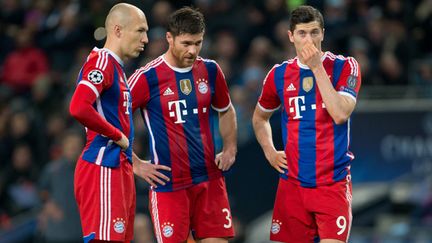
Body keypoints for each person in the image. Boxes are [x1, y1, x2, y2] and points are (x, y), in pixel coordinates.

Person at [127, 7, 237, 243]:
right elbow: (111, 118)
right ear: (169, 37)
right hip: (169, 185)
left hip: (209, 178)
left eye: (198, 43)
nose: (192, 50)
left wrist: (229, 148)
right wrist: (135, 163)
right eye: (186, 43)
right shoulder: (147, 77)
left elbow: (226, 110)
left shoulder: (210, 70)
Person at [252, 5, 361, 243]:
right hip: (293, 184)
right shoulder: (278, 75)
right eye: (302, 33)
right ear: (291, 36)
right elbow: (260, 117)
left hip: (332, 183)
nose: (309, 39)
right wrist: (270, 151)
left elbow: (340, 114)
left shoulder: (345, 66)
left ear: (323, 33)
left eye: (314, 32)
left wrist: (316, 67)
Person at [69, 3, 152, 242]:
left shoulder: (116, 68)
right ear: (117, 30)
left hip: (118, 165)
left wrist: (132, 159)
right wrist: (116, 135)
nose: (145, 39)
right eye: (140, 30)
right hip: (102, 164)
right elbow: (78, 107)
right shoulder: (102, 62)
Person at [38, 130, 84, 243]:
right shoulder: (52, 170)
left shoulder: (89, 170)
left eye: (77, 145)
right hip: (58, 230)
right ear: (63, 147)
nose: (73, 148)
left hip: (82, 229)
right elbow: (41, 192)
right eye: (70, 144)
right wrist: (48, 205)